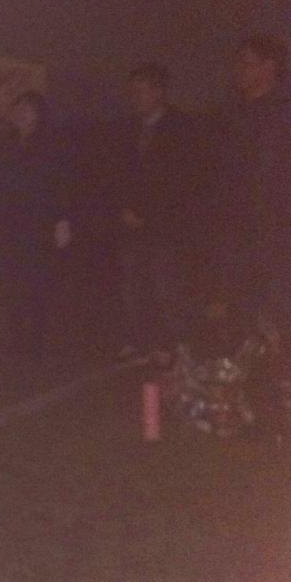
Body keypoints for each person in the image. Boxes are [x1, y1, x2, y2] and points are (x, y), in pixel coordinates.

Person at [210, 34, 291, 434]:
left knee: (285, 314)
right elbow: (222, 175)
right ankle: (251, 404)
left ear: (269, 66)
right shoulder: (232, 113)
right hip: (239, 234)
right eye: (238, 62)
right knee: (243, 316)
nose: (239, 71)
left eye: (248, 62)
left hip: (279, 233)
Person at [114, 63, 199, 361]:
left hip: (166, 222)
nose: (135, 98)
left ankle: (174, 344)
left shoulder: (182, 128)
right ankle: (138, 339)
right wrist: (124, 208)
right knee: (133, 284)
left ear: (159, 92)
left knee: (167, 284)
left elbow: (181, 180)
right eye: (132, 91)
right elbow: (119, 173)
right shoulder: (128, 130)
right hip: (131, 221)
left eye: (141, 91)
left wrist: (149, 213)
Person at [0, 92, 72, 356]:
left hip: (39, 223)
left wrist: (62, 220)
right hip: (10, 224)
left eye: (28, 109)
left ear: (39, 114)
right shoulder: (4, 143)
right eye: (18, 108)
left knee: (38, 281)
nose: (22, 114)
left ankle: (36, 338)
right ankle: (16, 337)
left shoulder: (52, 145)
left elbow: (60, 185)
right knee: (12, 281)